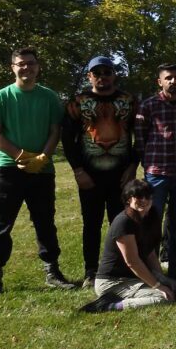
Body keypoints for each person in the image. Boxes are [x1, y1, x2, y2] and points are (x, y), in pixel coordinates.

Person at [0, 47, 75, 296]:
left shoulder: (49, 97)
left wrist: (44, 156)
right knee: (1, 223)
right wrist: (20, 156)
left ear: (38, 66)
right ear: (13, 67)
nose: (26, 67)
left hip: (42, 170)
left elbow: (55, 131)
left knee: (45, 221)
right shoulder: (0, 98)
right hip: (8, 169)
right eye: (21, 64)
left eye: (31, 63)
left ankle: (52, 272)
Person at [63, 55, 138, 288]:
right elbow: (68, 139)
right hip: (90, 176)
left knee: (122, 222)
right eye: (97, 73)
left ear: (114, 74)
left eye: (107, 72)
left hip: (121, 176)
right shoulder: (77, 102)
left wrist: (133, 166)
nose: (102, 77)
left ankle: (121, 267)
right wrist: (78, 170)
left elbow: (140, 136)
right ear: (89, 76)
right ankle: (91, 270)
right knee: (91, 223)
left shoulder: (129, 101)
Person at [135, 62, 176, 281]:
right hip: (157, 173)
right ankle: (152, 270)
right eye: (168, 78)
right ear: (160, 81)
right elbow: (140, 138)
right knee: (151, 221)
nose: (173, 81)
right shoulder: (148, 106)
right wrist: (149, 162)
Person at [81, 179, 176, 312]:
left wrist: (161, 278)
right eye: (139, 196)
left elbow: (150, 253)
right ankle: (109, 305)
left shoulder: (151, 216)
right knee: (162, 298)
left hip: (132, 277)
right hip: (112, 281)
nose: (144, 200)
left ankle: (126, 296)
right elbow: (132, 262)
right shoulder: (123, 222)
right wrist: (158, 286)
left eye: (148, 197)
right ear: (128, 199)